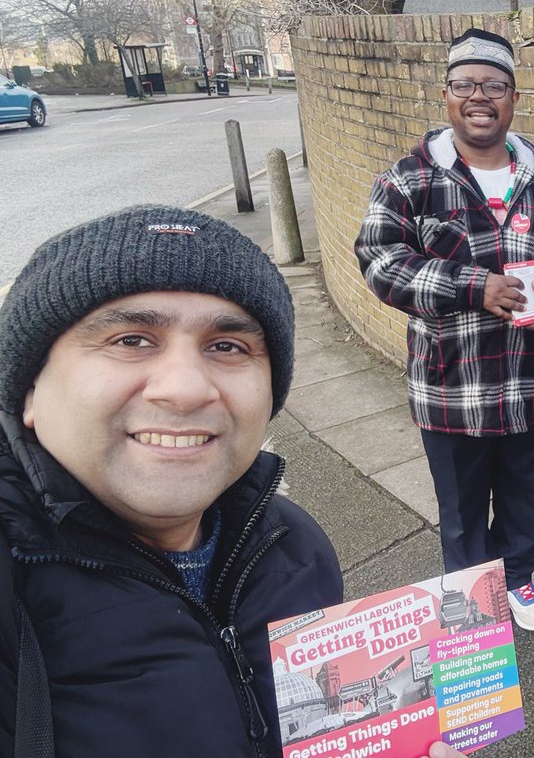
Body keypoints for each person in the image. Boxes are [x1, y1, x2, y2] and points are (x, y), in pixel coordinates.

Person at [0, 205, 345, 758]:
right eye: (131, 340)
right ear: (30, 393)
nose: (186, 390)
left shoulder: (295, 546)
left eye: (227, 347)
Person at [356, 28, 534, 634]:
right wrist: (473, 286)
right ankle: (471, 600)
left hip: (529, 385)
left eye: (494, 86)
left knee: (522, 493)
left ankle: (516, 578)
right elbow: (380, 262)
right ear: (446, 95)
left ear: (513, 98)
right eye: (465, 84)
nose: (479, 97)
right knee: (462, 509)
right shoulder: (409, 180)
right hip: (452, 389)